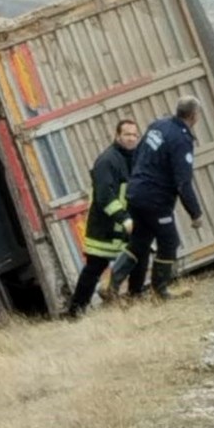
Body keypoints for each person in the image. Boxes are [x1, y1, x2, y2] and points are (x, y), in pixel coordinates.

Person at [106, 96, 205, 300]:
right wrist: (195, 213)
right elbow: (183, 182)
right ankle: (160, 291)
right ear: (194, 116)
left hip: (136, 193)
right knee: (169, 242)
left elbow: (138, 153)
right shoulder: (181, 140)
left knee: (139, 242)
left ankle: (112, 286)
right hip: (155, 200)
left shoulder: (158, 125)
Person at [67, 120, 140, 317]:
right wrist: (124, 219)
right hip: (106, 226)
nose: (132, 138)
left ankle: (129, 296)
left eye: (135, 135)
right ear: (117, 136)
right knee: (95, 267)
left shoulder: (134, 157)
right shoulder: (107, 161)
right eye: (127, 134)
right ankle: (76, 311)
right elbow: (104, 195)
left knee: (137, 256)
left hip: (125, 224)